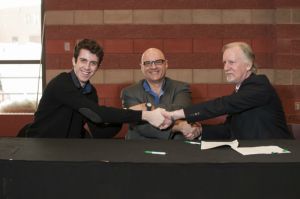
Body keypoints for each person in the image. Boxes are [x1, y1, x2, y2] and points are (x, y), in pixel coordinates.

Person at [18, 39, 168, 138]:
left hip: (65, 151)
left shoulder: (90, 92)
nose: (87, 67)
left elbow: (99, 132)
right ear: (73, 61)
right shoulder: (61, 84)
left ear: (98, 67)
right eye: (83, 61)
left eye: (93, 63)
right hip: (38, 147)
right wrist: (144, 115)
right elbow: (99, 113)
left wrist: (127, 116)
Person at [164, 42, 292, 140]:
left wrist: (175, 114)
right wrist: (201, 129)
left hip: (279, 158)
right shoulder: (240, 92)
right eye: (224, 63)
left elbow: (223, 104)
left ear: (248, 65)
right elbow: (230, 130)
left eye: (231, 62)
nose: (226, 68)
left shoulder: (259, 85)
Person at [121, 48, 201, 140]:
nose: (153, 67)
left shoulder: (181, 88)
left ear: (166, 64)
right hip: (139, 146)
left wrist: (146, 109)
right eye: (147, 63)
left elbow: (183, 111)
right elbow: (140, 125)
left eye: (158, 62)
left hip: (175, 147)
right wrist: (178, 126)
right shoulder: (129, 92)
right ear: (141, 66)